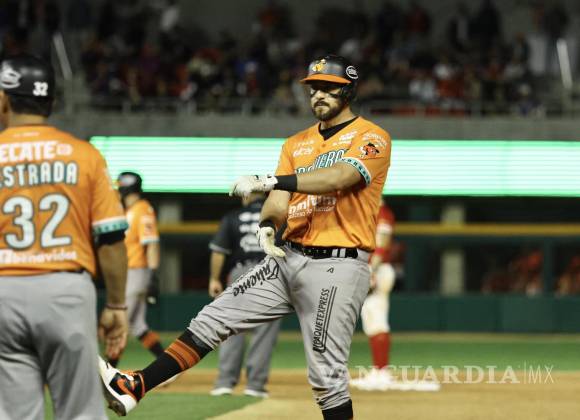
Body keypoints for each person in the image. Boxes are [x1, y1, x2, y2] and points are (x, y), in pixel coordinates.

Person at [99, 54, 392, 420]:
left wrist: (271, 180)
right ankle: (136, 385)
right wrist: (268, 224)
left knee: (326, 378)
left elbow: (339, 177)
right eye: (314, 87)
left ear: (348, 91)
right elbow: (279, 201)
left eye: (328, 87)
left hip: (338, 263)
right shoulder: (296, 144)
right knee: (211, 319)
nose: (318, 94)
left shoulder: (371, 136)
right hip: (287, 257)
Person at [0, 54, 129, 420]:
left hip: (4, 292)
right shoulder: (85, 155)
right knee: (80, 412)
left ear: (4, 99)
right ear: (52, 101)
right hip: (66, 293)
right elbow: (110, 239)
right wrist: (116, 305)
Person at [208, 192, 281, 398]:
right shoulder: (278, 217)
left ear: (246, 197)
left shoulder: (233, 216)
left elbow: (218, 251)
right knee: (264, 331)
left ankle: (224, 382)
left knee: (232, 327)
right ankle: (255, 385)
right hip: (270, 272)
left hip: (240, 273)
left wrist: (214, 279)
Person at [107, 171, 166, 367]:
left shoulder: (142, 209)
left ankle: (108, 370)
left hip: (136, 272)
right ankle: (169, 364)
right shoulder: (130, 210)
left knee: (119, 323)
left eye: (120, 186)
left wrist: (152, 275)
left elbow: (152, 243)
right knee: (138, 325)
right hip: (130, 272)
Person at [350, 199, 396, 391]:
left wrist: (371, 271)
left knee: (376, 319)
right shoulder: (371, 212)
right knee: (371, 319)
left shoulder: (382, 212)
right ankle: (379, 370)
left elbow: (382, 244)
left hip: (379, 269)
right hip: (373, 269)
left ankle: (382, 372)